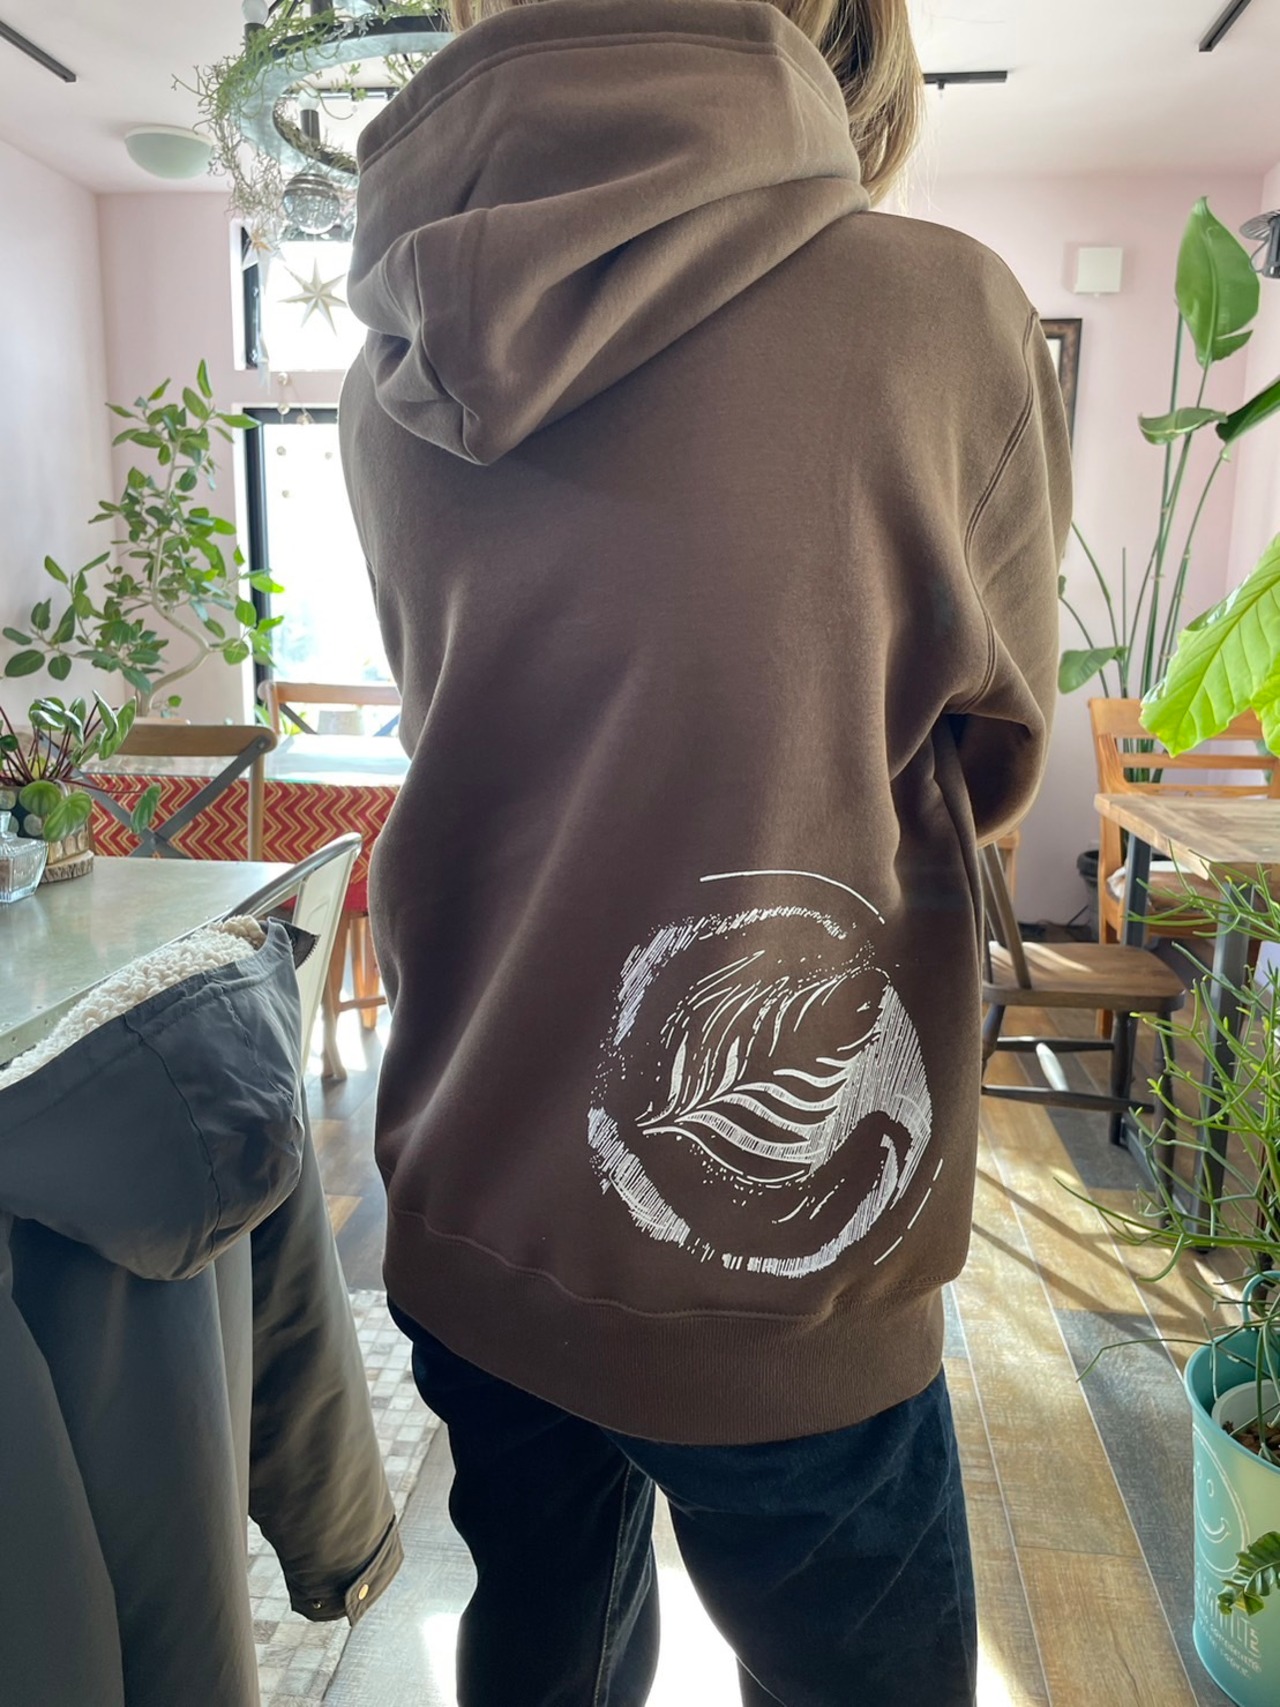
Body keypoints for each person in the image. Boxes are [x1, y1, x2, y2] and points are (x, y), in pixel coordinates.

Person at [340, 0, 1070, 1699]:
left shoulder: (398, 366)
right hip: (776, 1256)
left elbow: (474, 730)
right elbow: (990, 772)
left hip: (471, 1174)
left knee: (541, 1643)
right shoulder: (942, 312)